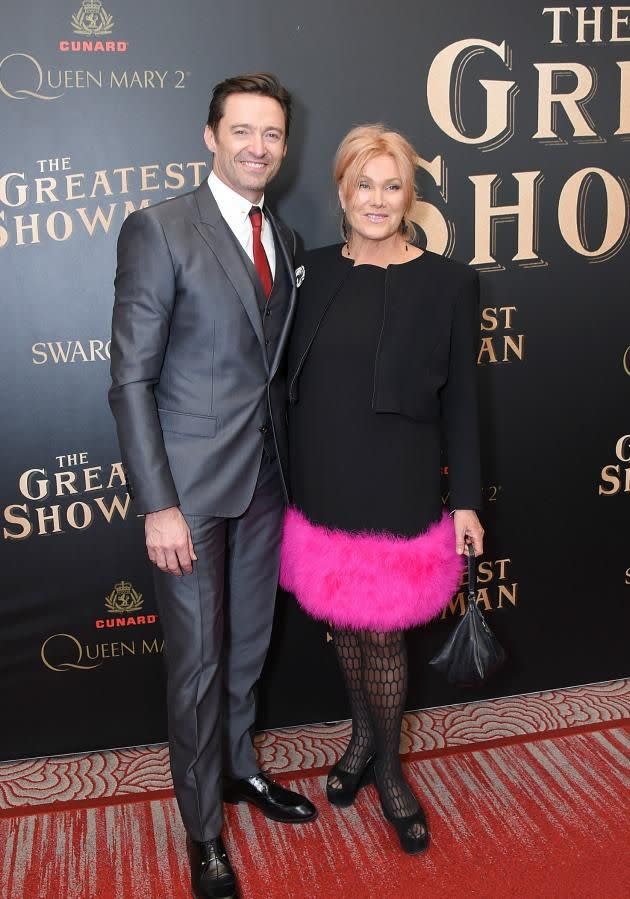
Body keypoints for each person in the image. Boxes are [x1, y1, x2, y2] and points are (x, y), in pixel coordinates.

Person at [109, 73, 316, 899]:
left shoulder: (288, 241)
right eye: (243, 131)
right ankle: (203, 831)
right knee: (195, 667)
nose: (258, 147)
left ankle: (237, 770)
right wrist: (158, 503)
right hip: (188, 496)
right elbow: (130, 381)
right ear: (210, 136)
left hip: (267, 482)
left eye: (272, 134)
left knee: (247, 652)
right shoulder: (159, 230)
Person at [280, 124, 484, 855]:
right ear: (342, 189)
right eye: (363, 183)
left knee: (385, 630)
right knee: (341, 617)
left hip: (398, 475)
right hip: (325, 472)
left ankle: (390, 770)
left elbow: (463, 397)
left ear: (410, 195)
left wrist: (465, 499)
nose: (376, 199)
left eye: (391, 184)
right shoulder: (311, 272)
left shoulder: (449, 280)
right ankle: (361, 736)